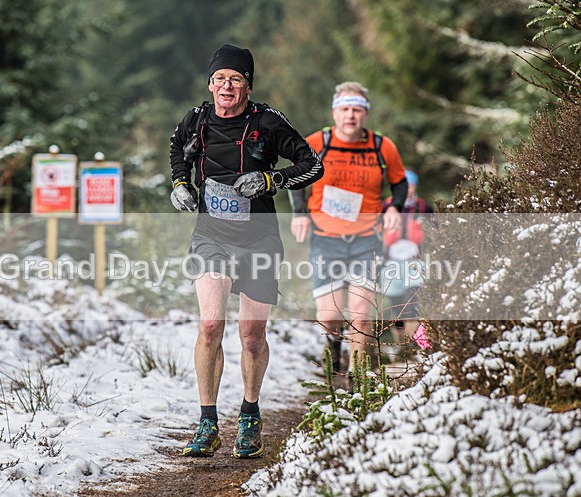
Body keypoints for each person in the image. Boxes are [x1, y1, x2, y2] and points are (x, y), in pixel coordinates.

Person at [169, 44, 323, 458]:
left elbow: (313, 165)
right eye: (219, 79)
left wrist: (272, 181)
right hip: (211, 236)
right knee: (209, 326)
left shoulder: (268, 122)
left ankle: (250, 415)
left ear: (247, 86)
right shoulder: (196, 121)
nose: (226, 86)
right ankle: (207, 421)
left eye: (235, 79)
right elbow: (176, 152)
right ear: (210, 84)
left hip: (258, 239)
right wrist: (181, 185)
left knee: (251, 336)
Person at [289, 81, 407, 373]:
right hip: (326, 240)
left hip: (366, 241)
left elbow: (400, 184)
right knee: (329, 315)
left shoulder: (382, 146)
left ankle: (356, 380)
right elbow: (295, 178)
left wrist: (394, 207)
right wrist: (300, 213)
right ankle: (332, 344)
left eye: (356, 110)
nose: (350, 116)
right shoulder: (318, 142)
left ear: (365, 114)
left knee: (361, 316)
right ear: (335, 112)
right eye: (344, 109)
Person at [382, 168, 433, 346]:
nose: (406, 189)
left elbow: (435, 231)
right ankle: (400, 345)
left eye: (409, 185)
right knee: (395, 305)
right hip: (391, 260)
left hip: (415, 260)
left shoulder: (424, 207)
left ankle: (415, 344)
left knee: (415, 300)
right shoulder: (385, 207)